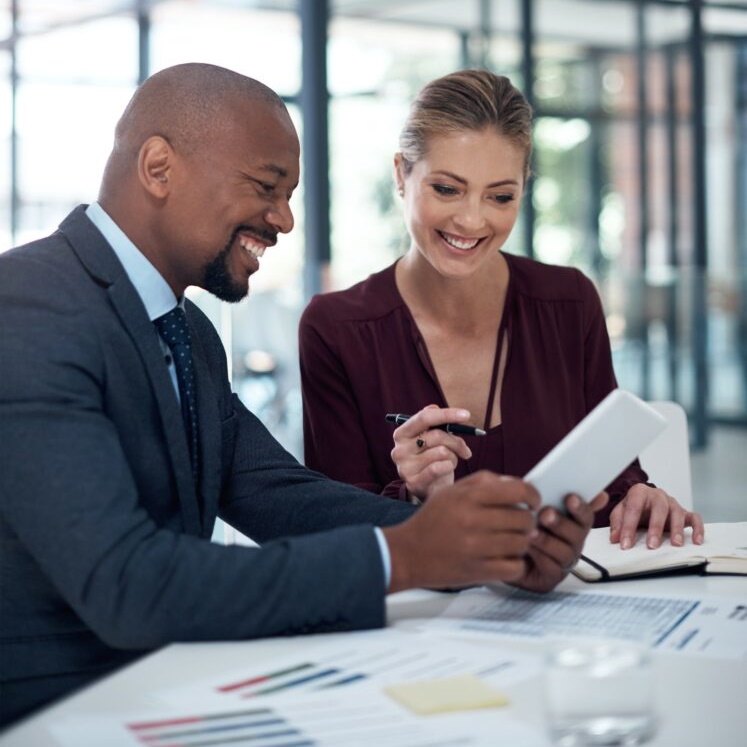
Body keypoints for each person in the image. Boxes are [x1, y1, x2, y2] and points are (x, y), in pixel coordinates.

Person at [0, 63, 604, 729]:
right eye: (266, 187)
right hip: (55, 715)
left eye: (287, 194)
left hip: (171, 693)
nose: (284, 219)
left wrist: (484, 543)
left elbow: (279, 493)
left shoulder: (188, 333)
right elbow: (128, 583)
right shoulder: (27, 307)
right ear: (158, 167)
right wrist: (404, 556)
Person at [299, 69, 704, 551]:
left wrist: (639, 496)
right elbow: (334, 533)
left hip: (566, 608)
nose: (472, 219)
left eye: (500, 196)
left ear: (523, 189)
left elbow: (611, 473)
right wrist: (416, 498)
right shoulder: (336, 329)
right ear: (401, 175)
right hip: (419, 617)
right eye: (447, 189)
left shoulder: (569, 302)